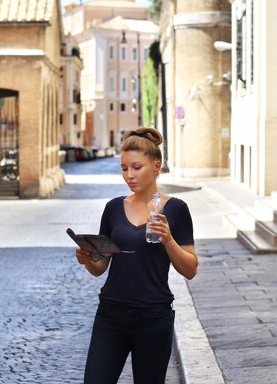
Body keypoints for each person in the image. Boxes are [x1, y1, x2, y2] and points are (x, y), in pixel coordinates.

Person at [75, 127, 198, 384]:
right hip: (111, 314)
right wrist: (89, 259)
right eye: (123, 168)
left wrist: (168, 239)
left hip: (153, 316)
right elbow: (101, 267)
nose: (129, 175)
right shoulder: (113, 208)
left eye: (136, 167)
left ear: (156, 166)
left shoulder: (176, 209)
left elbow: (190, 269)